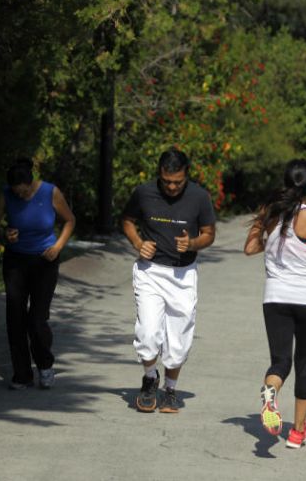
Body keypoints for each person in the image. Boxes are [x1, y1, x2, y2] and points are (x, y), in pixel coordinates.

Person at [243, 159, 306, 449]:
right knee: (305, 363)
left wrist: (271, 241)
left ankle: (271, 391)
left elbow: (249, 248)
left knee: (280, 361)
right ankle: (297, 433)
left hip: (276, 298)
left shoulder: (268, 213)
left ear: (286, 183)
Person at [121, 148, 216, 413]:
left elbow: (209, 233)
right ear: (159, 176)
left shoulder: (199, 197)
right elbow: (127, 221)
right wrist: (138, 242)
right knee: (148, 333)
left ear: (187, 176)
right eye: (167, 181)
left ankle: (171, 390)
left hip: (183, 275)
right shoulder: (143, 192)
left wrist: (193, 243)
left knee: (179, 337)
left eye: (178, 182)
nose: (172, 187)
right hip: (149, 271)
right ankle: (150, 378)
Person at [0, 159, 75, 390]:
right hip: (16, 261)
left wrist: (58, 247)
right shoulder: (5, 195)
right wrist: (5, 234)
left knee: (37, 319)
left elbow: (69, 220)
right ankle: (22, 374)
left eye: (24, 191)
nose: (21, 196)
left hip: (44, 261)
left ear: (30, 182)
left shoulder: (50, 192)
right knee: (15, 317)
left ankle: (45, 365)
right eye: (17, 192)